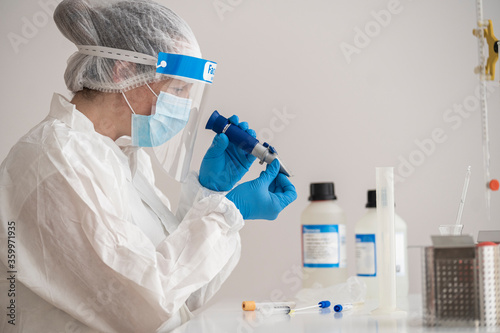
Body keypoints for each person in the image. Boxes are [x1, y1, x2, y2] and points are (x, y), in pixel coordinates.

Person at [0, 0, 297, 332]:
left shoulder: (124, 156)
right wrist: (228, 212)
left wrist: (209, 195)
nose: (185, 105)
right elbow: (146, 305)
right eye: (178, 88)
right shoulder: (57, 160)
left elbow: (183, 290)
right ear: (125, 72)